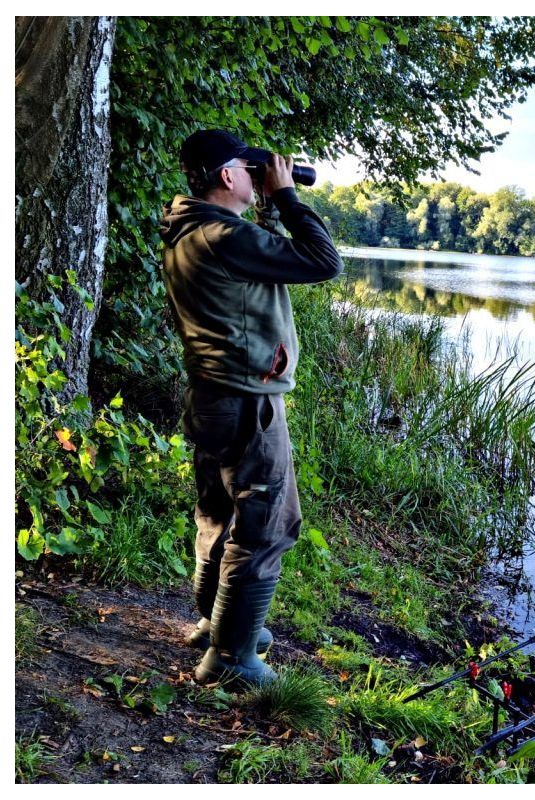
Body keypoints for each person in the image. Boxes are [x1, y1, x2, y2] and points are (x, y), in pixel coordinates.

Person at [160, 129, 343, 687]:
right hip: (248, 402)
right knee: (266, 525)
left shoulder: (190, 229)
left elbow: (259, 266)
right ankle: (231, 658)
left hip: (213, 396)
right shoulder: (222, 234)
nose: (260, 174)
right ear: (226, 176)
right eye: (251, 167)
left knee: (218, 511)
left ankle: (215, 623)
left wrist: (264, 200)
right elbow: (323, 260)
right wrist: (287, 196)